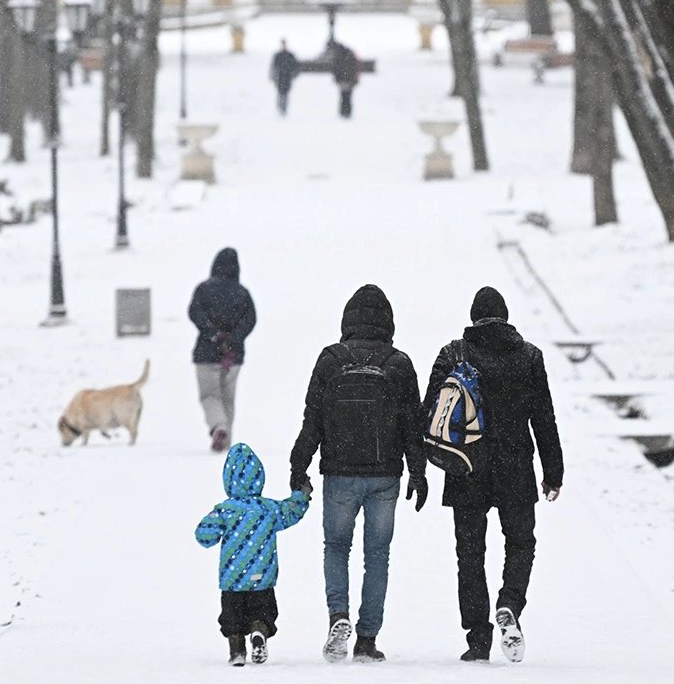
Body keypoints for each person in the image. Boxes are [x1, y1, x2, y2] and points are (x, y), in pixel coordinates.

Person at [424, 286, 563, 664]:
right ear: (505, 316)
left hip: (465, 467)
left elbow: (431, 412)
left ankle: (478, 637)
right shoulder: (529, 356)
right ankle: (510, 604)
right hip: (515, 466)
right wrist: (553, 472)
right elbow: (543, 418)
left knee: (469, 553)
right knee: (520, 543)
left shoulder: (453, 354)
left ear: (473, 318)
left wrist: (422, 466)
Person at [289, 284, 427, 663]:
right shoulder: (399, 363)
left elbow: (312, 421)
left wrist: (297, 465)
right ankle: (367, 638)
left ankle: (338, 616)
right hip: (385, 476)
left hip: (339, 475)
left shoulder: (331, 360)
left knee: (336, 547)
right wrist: (419, 471)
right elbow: (412, 426)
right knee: (377, 555)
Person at [195, 443, 312, 666]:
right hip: (262, 578)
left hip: (233, 582)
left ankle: (236, 649)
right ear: (259, 477)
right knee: (264, 611)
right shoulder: (268, 509)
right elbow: (292, 511)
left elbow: (204, 535)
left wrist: (212, 530)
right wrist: (301, 494)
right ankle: (260, 629)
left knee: (232, 619)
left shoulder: (225, 510)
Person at [188, 248, 257, 452]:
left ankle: (218, 426)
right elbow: (250, 320)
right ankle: (226, 441)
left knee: (209, 395)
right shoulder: (242, 293)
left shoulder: (204, 289)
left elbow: (194, 312)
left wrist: (212, 332)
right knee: (228, 398)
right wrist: (234, 338)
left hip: (206, 352)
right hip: (233, 355)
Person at [330, 41, 360, 118]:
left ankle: (344, 112)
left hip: (345, 80)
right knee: (347, 97)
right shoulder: (349, 56)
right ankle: (346, 112)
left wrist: (338, 78)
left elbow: (336, 68)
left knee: (344, 97)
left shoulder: (340, 57)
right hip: (348, 80)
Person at [270, 39, 300, 115]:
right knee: (280, 93)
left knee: (286, 93)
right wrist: (273, 77)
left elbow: (295, 67)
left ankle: (284, 108)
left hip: (287, 77)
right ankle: (280, 107)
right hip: (280, 77)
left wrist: (293, 75)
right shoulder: (278, 56)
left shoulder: (290, 55)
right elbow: (274, 67)